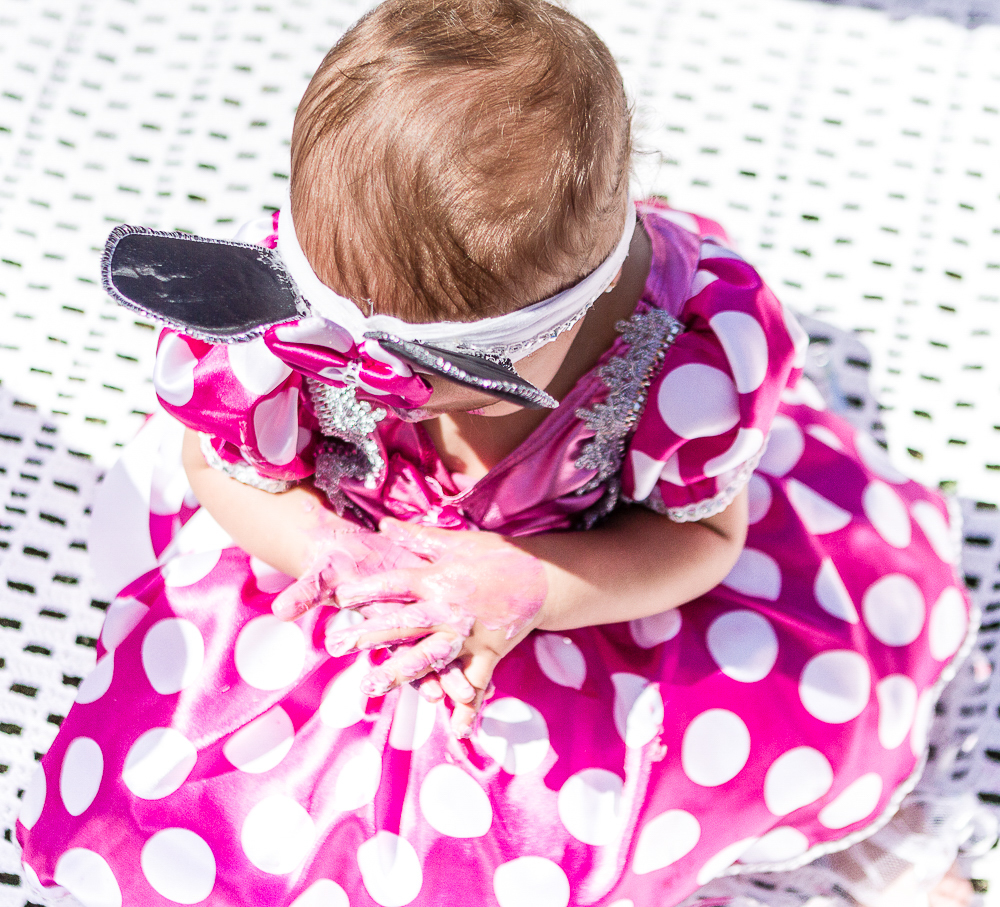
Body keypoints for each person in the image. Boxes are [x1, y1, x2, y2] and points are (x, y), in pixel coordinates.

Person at [17, 1, 977, 905]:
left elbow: (707, 541)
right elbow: (214, 463)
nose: (374, 375)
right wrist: (323, 547)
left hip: (580, 590)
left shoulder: (682, 365)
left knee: (719, 747)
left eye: (433, 369)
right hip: (346, 571)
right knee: (217, 790)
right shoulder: (300, 317)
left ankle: (817, 823)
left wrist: (532, 584)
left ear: (572, 313)